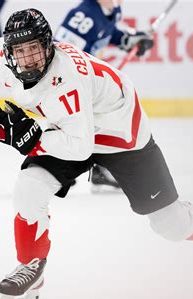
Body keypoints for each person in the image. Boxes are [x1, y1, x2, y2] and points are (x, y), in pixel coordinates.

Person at [0, 8, 193, 299]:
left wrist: (26, 137)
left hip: (119, 130)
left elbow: (79, 148)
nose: (28, 59)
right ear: (8, 52)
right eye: (19, 51)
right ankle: (30, 272)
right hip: (71, 125)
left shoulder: (67, 81)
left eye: (34, 49)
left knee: (169, 224)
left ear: (48, 46)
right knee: (29, 187)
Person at [54, 0, 154, 192]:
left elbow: (109, 33)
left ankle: (99, 169)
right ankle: (55, 171)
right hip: (70, 81)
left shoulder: (112, 10)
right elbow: (60, 51)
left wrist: (129, 40)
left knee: (104, 121)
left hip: (88, 80)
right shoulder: (83, 16)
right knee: (77, 126)